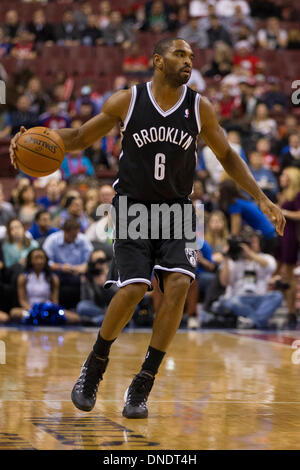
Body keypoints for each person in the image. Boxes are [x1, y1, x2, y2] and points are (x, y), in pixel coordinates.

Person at [10, 38, 285, 420]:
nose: (188, 60)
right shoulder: (128, 100)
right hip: (132, 207)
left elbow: (226, 155)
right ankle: (95, 364)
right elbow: (77, 138)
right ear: (158, 61)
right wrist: (29, 140)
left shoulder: (199, 107)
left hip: (177, 209)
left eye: (191, 56)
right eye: (179, 54)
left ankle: (144, 381)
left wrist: (262, 198)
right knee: (136, 286)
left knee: (178, 283)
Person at [217, 233, 282, 329]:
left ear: (260, 244)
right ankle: (257, 320)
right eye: (248, 243)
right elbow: (224, 282)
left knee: (277, 296)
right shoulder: (233, 260)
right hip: (239, 299)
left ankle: (251, 321)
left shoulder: (265, 257)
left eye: (253, 242)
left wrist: (250, 254)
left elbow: (270, 266)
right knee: (230, 302)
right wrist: (226, 257)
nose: (250, 245)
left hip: (260, 299)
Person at [10, 248, 80, 324]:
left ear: (46, 260)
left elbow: (55, 300)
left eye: (42, 258)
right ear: (30, 260)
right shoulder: (23, 277)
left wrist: (48, 310)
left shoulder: (53, 278)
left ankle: (45, 318)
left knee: (75, 318)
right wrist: (32, 310)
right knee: (14, 312)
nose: (39, 261)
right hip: (29, 310)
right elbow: (22, 300)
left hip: (48, 310)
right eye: (36, 258)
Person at [76, 250, 118, 325]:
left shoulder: (113, 271)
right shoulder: (88, 275)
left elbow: (119, 295)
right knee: (81, 306)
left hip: (113, 306)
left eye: (102, 261)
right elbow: (85, 299)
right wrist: (91, 283)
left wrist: (107, 283)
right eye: (97, 261)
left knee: (130, 308)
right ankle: (110, 319)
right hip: (98, 308)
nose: (99, 264)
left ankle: (95, 321)